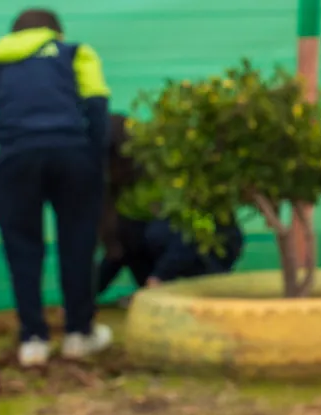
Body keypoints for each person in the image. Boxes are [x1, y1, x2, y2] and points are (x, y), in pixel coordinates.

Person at [0, 8, 113, 368]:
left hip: (15, 159)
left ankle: (33, 340)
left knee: (22, 249)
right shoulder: (75, 53)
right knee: (78, 244)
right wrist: (94, 156)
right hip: (72, 154)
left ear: (13, 35)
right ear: (56, 32)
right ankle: (78, 335)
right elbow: (97, 105)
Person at [95, 114, 244, 297]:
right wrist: (84, 298)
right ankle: (155, 292)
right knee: (127, 231)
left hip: (210, 244)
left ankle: (180, 288)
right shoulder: (122, 188)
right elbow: (117, 250)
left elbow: (193, 233)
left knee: (158, 232)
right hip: (168, 246)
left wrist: (159, 277)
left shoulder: (170, 168)